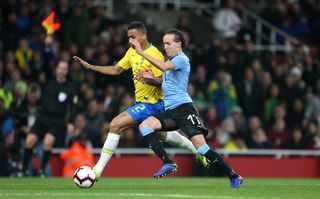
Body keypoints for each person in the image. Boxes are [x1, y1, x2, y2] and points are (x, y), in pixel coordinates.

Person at [73, 21, 208, 179]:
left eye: (133, 37)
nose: (130, 41)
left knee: (115, 124)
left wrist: (148, 79)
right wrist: (90, 67)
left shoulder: (155, 54)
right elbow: (116, 70)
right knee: (163, 136)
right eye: (128, 37)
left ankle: (97, 170)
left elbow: (163, 81)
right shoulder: (131, 53)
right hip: (142, 103)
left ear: (143, 36)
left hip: (153, 104)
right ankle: (196, 151)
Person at [130, 28, 243, 188]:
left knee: (201, 147)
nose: (165, 47)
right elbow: (165, 82)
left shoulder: (182, 59)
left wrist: (141, 52)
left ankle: (233, 175)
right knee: (145, 126)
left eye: (168, 43)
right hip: (171, 112)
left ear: (179, 44)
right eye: (164, 43)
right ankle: (167, 161)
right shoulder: (171, 63)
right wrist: (149, 79)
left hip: (184, 109)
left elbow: (162, 67)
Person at [22, 35, 78, 177]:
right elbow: (46, 63)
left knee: (47, 143)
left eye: (64, 69)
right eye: (60, 68)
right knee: (29, 141)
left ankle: (41, 170)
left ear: (67, 71)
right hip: (43, 116)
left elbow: (72, 107)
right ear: (56, 69)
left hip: (57, 120)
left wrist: (71, 122)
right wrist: (47, 47)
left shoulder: (71, 87)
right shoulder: (49, 80)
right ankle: (22, 171)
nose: (62, 71)